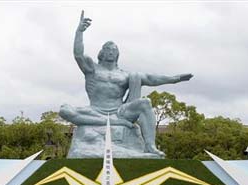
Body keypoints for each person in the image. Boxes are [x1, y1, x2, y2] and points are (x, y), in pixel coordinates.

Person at [59, 11, 193, 157]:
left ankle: (150, 146)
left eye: (114, 50)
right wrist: (79, 32)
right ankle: (110, 122)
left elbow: (150, 78)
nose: (111, 52)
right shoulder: (92, 69)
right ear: (101, 53)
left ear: (117, 54)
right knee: (64, 110)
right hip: (95, 110)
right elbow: (78, 55)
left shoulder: (124, 75)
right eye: (107, 49)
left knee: (144, 99)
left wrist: (174, 79)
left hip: (120, 112)